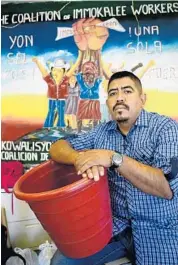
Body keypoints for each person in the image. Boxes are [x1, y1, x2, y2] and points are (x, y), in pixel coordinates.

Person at [49, 71, 178, 265]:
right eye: (112, 93)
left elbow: (165, 189)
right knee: (61, 262)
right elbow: (57, 147)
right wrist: (78, 158)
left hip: (159, 228)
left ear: (142, 99)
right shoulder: (101, 132)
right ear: (108, 102)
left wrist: (112, 158)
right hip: (116, 227)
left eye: (127, 91)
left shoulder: (165, 128)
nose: (119, 98)